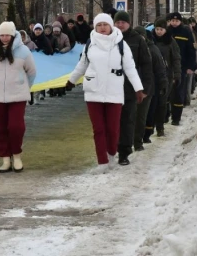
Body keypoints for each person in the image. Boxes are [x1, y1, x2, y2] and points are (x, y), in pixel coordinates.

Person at [67, 14, 144, 172]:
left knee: (113, 128)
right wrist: (71, 80)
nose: (102, 27)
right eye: (99, 25)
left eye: (105, 24)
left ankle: (111, 156)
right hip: (93, 90)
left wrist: (138, 88)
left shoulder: (121, 44)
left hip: (114, 92)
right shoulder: (90, 43)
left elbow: (130, 68)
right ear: (95, 27)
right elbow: (82, 65)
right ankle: (102, 162)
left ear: (111, 26)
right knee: (99, 129)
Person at [0, 22, 36, 173]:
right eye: (2, 35)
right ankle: (5, 158)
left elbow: (31, 72)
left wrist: (23, 85)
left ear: (13, 35)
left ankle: (17, 155)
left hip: (18, 95)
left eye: (7, 35)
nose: (5, 38)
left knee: (16, 127)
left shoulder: (24, 51)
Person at [113, 11, 153, 165]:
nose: (120, 24)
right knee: (112, 121)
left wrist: (144, 88)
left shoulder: (138, 40)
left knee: (128, 120)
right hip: (111, 87)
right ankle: (111, 149)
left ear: (128, 23)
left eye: (123, 22)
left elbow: (146, 65)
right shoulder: (109, 39)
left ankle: (124, 152)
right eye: (118, 22)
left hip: (130, 88)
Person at [133, 26, 167, 151]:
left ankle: (138, 142)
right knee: (130, 116)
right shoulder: (130, 48)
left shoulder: (152, 50)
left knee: (142, 116)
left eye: (140, 36)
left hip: (147, 88)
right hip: (130, 88)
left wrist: (162, 86)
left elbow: (160, 69)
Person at [150, 18, 181, 138]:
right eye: (157, 29)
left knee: (161, 103)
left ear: (165, 30)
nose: (158, 32)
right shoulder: (151, 40)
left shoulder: (170, 41)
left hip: (166, 76)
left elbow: (176, 59)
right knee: (151, 103)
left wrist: (176, 75)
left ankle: (160, 127)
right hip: (151, 76)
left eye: (161, 29)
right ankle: (149, 128)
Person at [167, 12, 197, 126]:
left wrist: (190, 66)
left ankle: (176, 118)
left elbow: (191, 50)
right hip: (168, 67)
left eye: (176, 21)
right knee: (168, 92)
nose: (174, 23)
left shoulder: (186, 31)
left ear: (180, 21)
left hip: (182, 67)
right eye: (172, 21)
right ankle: (166, 116)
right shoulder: (167, 31)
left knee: (179, 92)